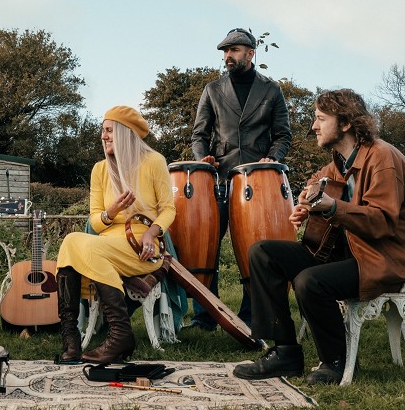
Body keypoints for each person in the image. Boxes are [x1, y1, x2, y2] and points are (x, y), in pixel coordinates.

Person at [233, 89, 405, 384]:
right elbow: (319, 184)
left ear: (346, 123)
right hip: (348, 253)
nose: (314, 126)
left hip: (383, 258)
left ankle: (335, 361)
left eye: (320, 118)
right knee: (263, 252)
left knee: (310, 281)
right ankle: (285, 352)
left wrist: (331, 206)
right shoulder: (338, 162)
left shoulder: (382, 157)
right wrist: (306, 206)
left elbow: (382, 222)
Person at [189, 27, 292, 329]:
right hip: (218, 181)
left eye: (233, 50)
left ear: (250, 53)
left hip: (257, 182)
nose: (227, 56)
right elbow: (199, 134)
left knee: (254, 250)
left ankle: (251, 315)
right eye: (225, 51)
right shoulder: (212, 89)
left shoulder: (271, 90)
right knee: (207, 248)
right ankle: (205, 315)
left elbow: (283, 134)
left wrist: (272, 158)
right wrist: (203, 159)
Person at [56, 106, 176, 364]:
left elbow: (168, 209)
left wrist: (152, 232)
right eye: (103, 131)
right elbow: (95, 222)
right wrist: (111, 212)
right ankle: (71, 337)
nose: (103, 136)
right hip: (107, 245)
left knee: (86, 247)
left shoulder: (154, 162)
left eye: (109, 130)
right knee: (71, 241)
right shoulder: (100, 170)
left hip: (142, 248)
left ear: (124, 133)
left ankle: (120, 333)